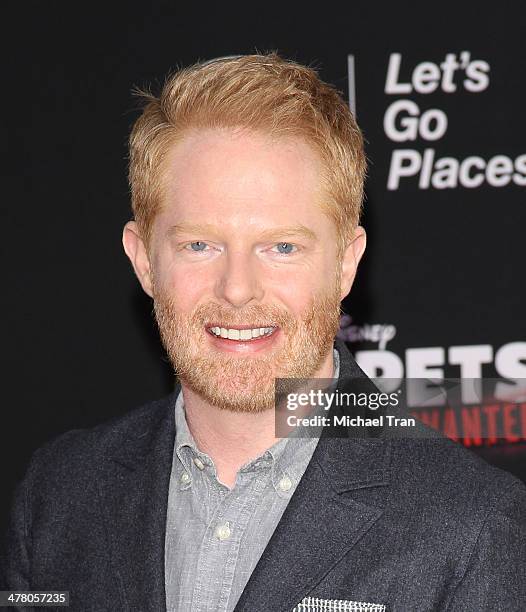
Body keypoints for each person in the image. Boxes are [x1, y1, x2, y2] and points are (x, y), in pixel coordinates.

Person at [2, 52, 525, 612]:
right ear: (144, 260)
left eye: (282, 247)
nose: (237, 289)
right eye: (199, 244)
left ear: (346, 264)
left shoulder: (473, 525)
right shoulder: (58, 494)